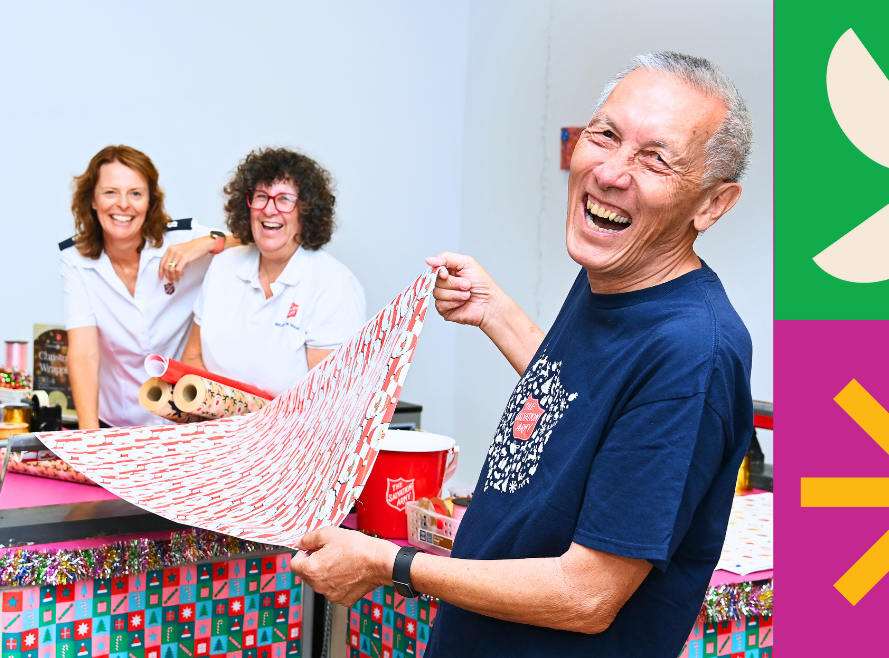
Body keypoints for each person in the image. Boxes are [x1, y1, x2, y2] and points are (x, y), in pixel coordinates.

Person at [290, 52, 756, 657]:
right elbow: (586, 402)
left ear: (712, 205)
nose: (612, 172)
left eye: (655, 158)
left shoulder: (694, 352)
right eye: (605, 136)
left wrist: (390, 563)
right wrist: (494, 311)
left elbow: (585, 596)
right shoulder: (611, 274)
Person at [61, 145, 237, 429]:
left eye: (135, 193)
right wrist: (89, 437)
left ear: (149, 201)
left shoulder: (183, 237)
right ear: (92, 200)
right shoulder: (75, 260)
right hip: (115, 423)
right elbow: (84, 352)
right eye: (110, 192)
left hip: (184, 422)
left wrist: (207, 243)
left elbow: (257, 240)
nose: (123, 204)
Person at [179, 147, 365, 396]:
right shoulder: (223, 265)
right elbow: (192, 357)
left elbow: (330, 400)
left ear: (307, 211)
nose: (269, 209)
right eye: (261, 196)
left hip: (294, 433)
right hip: (219, 429)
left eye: (285, 199)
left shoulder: (333, 285)